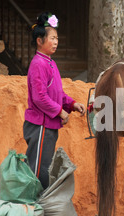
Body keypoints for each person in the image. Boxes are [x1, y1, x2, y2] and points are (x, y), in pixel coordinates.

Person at [24, 12, 85, 189]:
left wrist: (72, 104)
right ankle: (35, 207)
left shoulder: (50, 62)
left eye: (57, 38)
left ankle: (41, 209)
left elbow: (57, 93)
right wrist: (60, 111)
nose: (56, 42)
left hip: (48, 126)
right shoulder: (38, 64)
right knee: (38, 170)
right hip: (40, 126)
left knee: (44, 168)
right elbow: (40, 97)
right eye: (52, 38)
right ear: (39, 40)